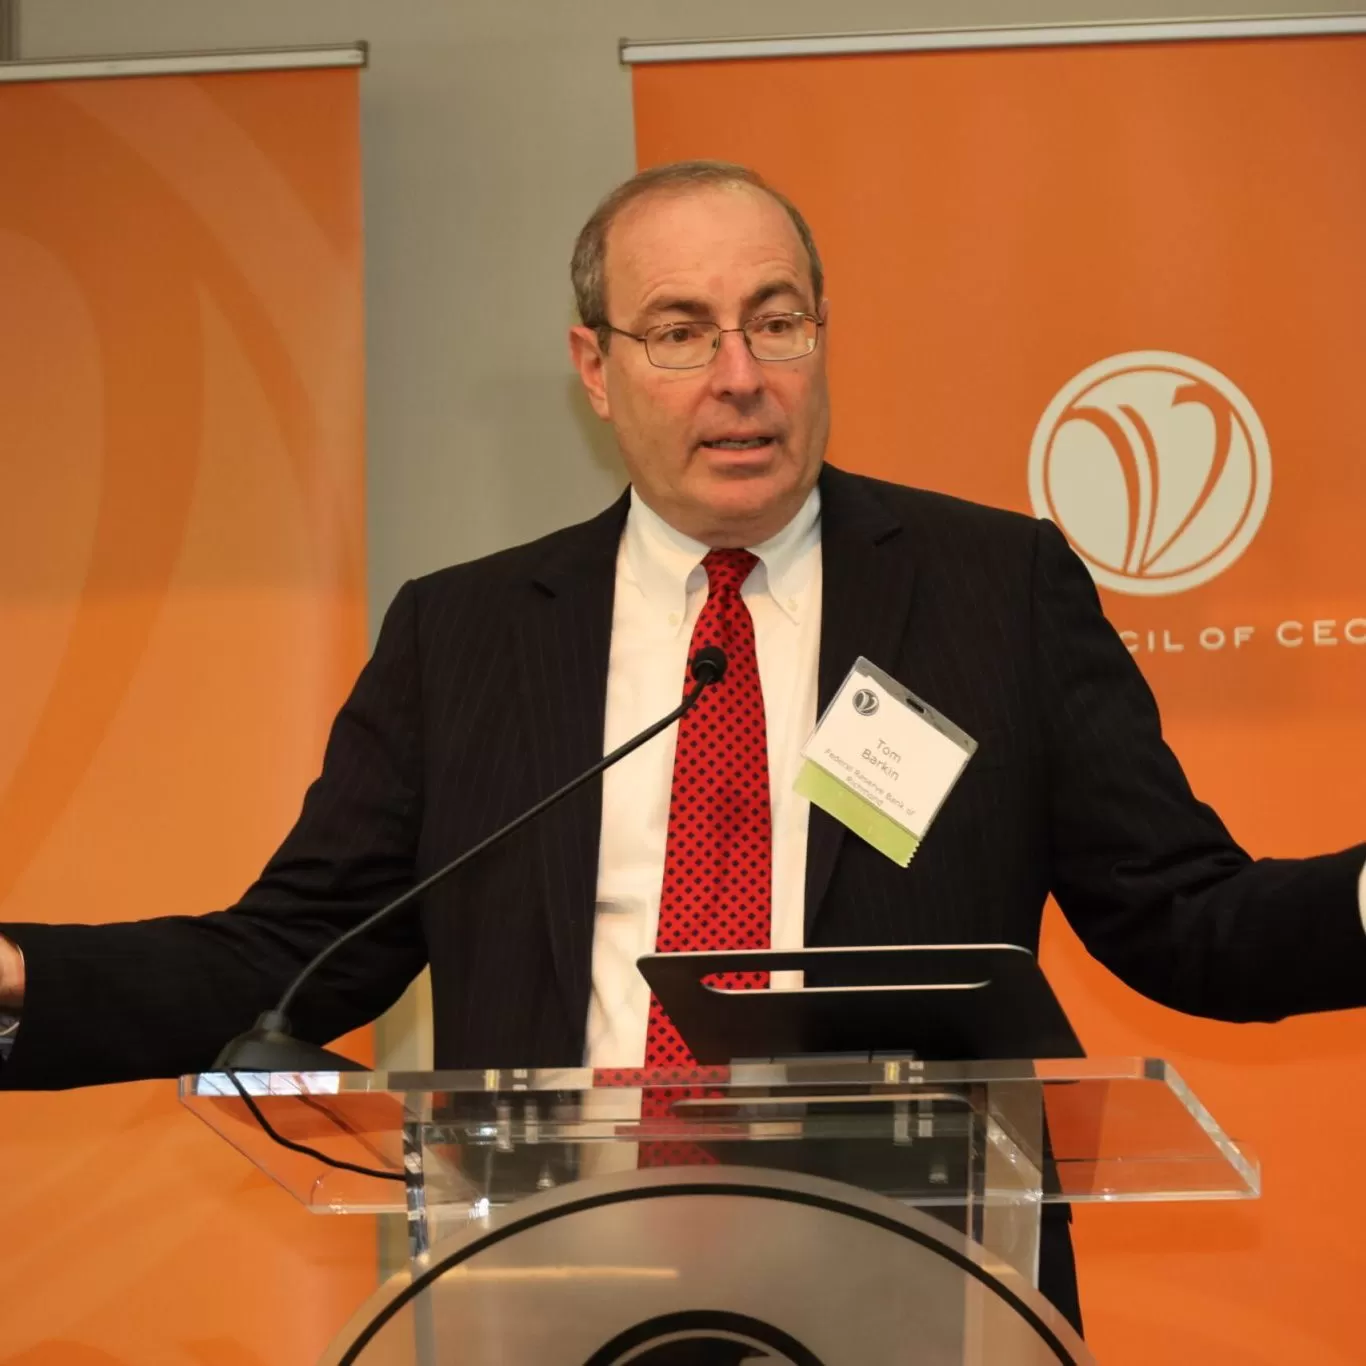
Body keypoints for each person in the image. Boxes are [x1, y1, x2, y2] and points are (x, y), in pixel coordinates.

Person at [1, 162, 1363, 1335]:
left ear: (821, 336)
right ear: (594, 367)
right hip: (557, 1289)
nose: (739, 376)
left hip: (920, 1291)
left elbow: (1185, 919)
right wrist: (17, 979)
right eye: (679, 331)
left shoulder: (993, 592)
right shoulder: (466, 634)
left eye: (776, 321)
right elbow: (290, 957)